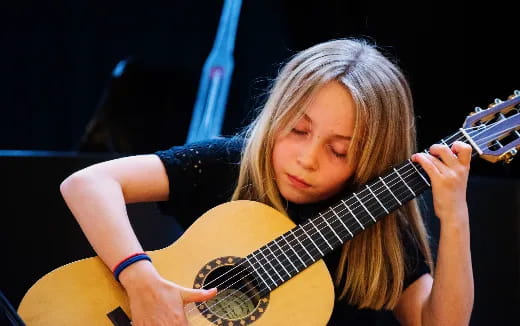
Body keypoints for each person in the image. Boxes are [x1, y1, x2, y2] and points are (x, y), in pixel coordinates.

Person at [60, 38, 474, 325]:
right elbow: (88, 184)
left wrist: (455, 217)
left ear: (372, 159)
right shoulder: (230, 164)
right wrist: (140, 280)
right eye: (297, 130)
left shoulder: (377, 225)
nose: (307, 159)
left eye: (339, 150)